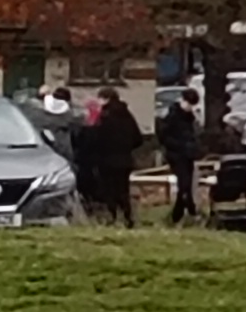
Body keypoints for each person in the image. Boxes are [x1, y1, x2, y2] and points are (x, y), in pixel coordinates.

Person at [81, 90, 144, 224]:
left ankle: (112, 216)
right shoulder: (127, 116)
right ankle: (127, 216)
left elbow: (95, 139)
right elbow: (138, 139)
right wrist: (126, 148)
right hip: (125, 160)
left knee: (109, 189)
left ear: (106, 99)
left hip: (106, 160)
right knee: (123, 189)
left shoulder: (104, 117)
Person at [155, 85, 202, 226]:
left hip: (188, 155)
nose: (189, 107)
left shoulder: (190, 117)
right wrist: (178, 146)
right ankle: (190, 212)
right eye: (188, 103)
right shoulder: (172, 116)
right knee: (184, 185)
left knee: (186, 186)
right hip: (176, 155)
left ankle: (178, 215)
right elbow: (163, 136)